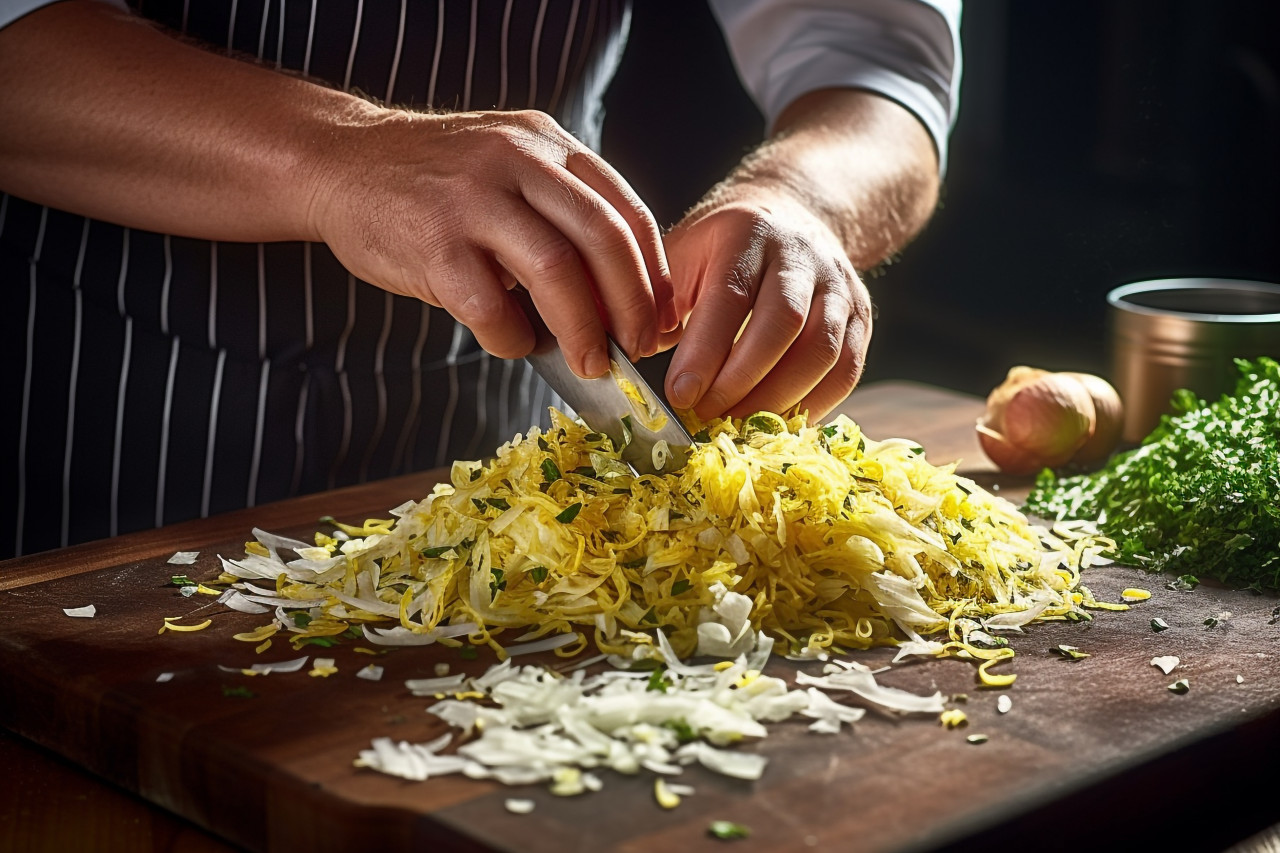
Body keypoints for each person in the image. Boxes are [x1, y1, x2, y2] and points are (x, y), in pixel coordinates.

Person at [0, 0, 961, 559]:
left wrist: (804, 195)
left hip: (508, 445)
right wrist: (334, 154)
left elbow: (878, 58)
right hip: (93, 428)